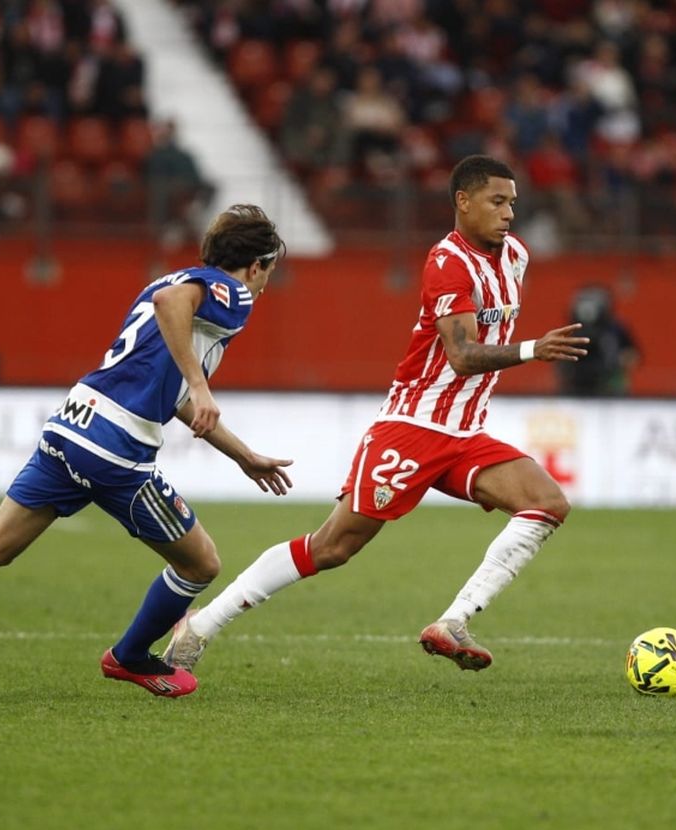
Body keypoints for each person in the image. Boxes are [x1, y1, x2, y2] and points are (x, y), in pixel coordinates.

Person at [0, 205, 294, 699]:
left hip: (73, 422)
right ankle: (129, 656)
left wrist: (242, 454)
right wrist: (200, 383)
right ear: (255, 266)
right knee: (201, 564)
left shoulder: (171, 280)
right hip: (115, 448)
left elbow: (173, 395)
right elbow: (172, 307)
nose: (264, 285)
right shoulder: (230, 292)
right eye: (268, 272)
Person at [161, 155, 589, 674]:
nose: (508, 214)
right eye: (497, 202)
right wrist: (532, 350)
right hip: (412, 429)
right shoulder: (448, 262)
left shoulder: (515, 256)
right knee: (332, 547)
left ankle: (453, 622)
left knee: (547, 503)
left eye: (512, 203)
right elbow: (460, 355)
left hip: (465, 434)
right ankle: (200, 626)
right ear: (463, 201)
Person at [558, 283, 638, 397]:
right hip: (575, 386)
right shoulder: (572, 330)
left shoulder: (615, 329)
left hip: (608, 386)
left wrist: (617, 361)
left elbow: (633, 356)